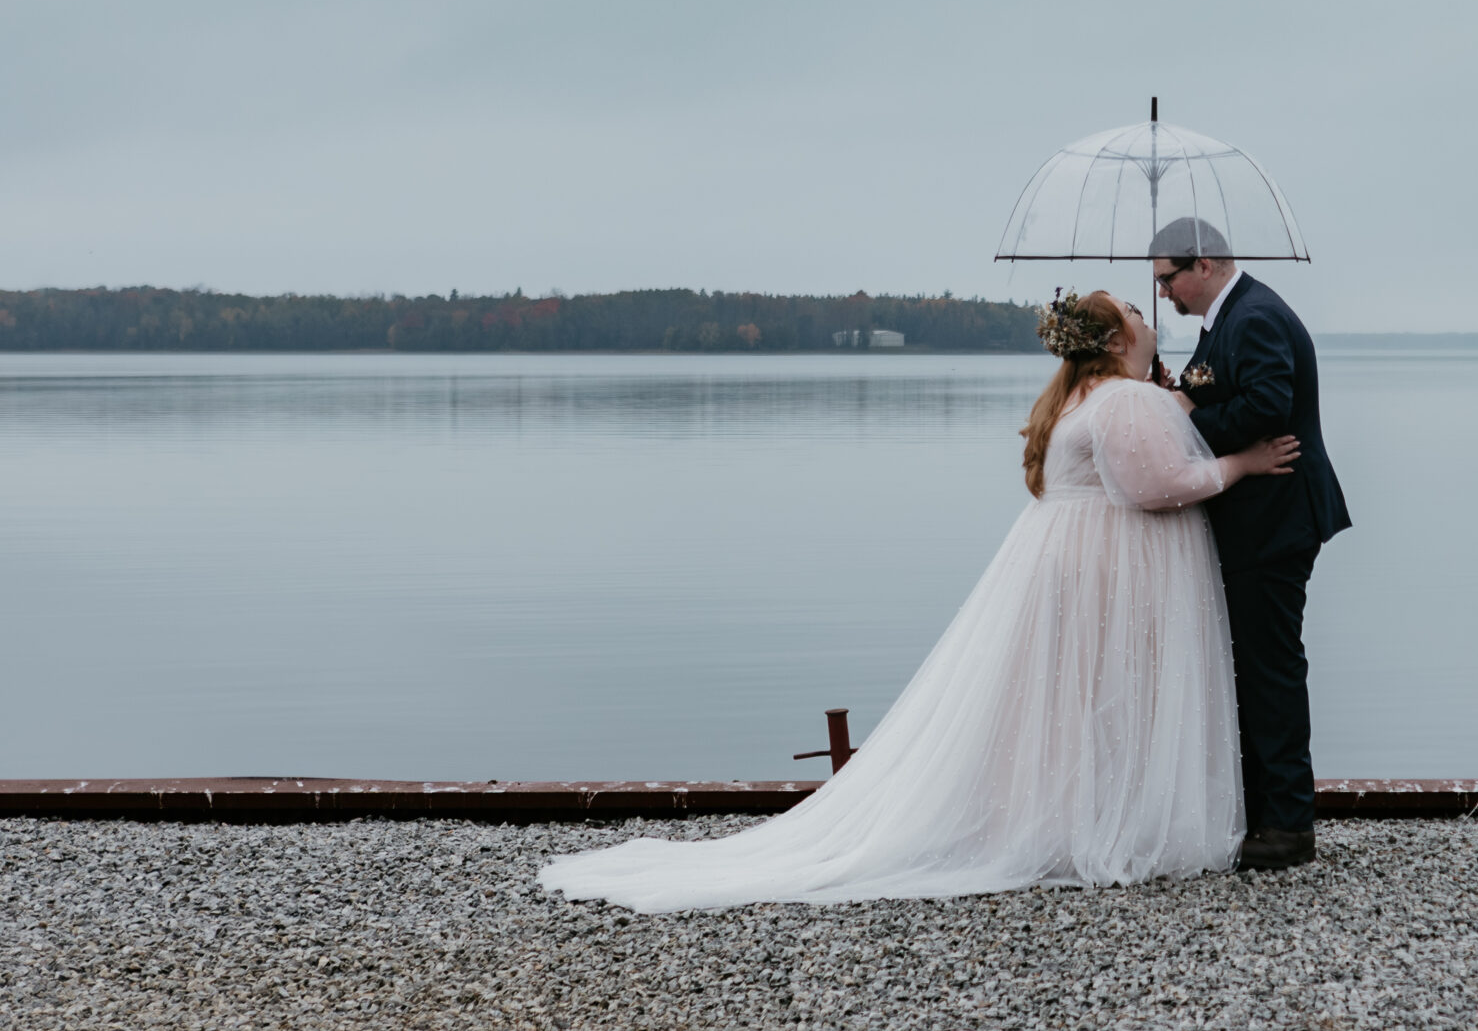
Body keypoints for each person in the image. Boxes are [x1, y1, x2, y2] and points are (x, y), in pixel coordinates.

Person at [536, 291, 1300, 910]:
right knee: (1090, 694)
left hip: (1059, 563)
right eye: (1137, 314)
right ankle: (1092, 821)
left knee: (1062, 698)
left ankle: (1070, 813)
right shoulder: (1120, 401)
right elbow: (1159, 486)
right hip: (1101, 565)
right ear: (1111, 341)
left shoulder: (1076, 398)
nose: (1147, 318)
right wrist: (1241, 462)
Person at [1150, 219, 1352, 871]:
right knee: (1256, 667)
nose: (1164, 295)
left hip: (1276, 518)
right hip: (1256, 518)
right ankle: (1262, 811)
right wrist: (1173, 395)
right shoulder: (1224, 320)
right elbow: (1212, 387)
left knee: (1270, 669)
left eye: (1168, 279)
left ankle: (1289, 826)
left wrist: (1189, 419)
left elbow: (1268, 403)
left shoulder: (1256, 314)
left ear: (1201, 264)